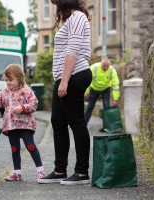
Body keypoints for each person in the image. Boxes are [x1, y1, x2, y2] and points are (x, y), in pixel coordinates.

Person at [37, 0, 92, 185]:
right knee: (58, 123)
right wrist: (61, 79)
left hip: (74, 75)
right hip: (64, 77)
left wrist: (65, 81)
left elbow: (73, 50)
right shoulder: (71, 19)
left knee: (76, 122)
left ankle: (82, 173)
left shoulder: (78, 17)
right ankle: (60, 170)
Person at [0, 64, 45, 181]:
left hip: (25, 125)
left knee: (30, 146)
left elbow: (34, 104)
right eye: (6, 80)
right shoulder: (5, 92)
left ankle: (40, 171)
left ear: (18, 78)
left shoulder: (26, 90)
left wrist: (23, 108)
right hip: (11, 125)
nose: (8, 83)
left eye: (10, 80)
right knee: (14, 148)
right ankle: (17, 172)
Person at [84, 58, 120, 131]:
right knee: (90, 106)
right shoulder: (94, 68)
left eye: (107, 66)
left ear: (110, 65)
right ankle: (84, 125)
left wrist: (115, 98)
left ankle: (106, 127)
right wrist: (86, 92)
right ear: (101, 64)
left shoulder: (112, 70)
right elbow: (87, 80)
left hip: (106, 89)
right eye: (104, 66)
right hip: (94, 89)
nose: (106, 68)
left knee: (106, 108)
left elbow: (115, 85)